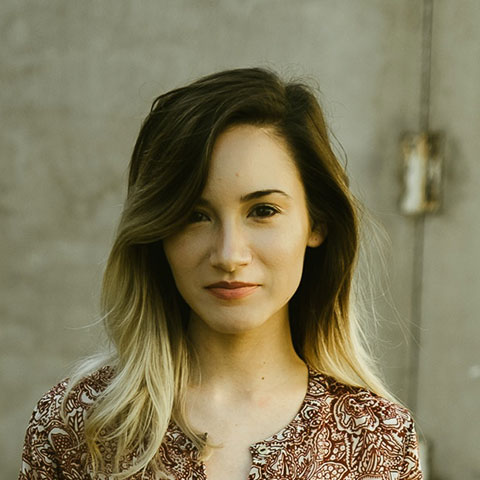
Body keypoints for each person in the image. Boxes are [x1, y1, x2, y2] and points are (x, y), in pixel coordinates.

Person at [18, 67, 423, 480]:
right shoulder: (76, 427)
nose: (229, 255)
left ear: (316, 223)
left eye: (263, 211)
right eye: (195, 215)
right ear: (159, 232)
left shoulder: (376, 439)